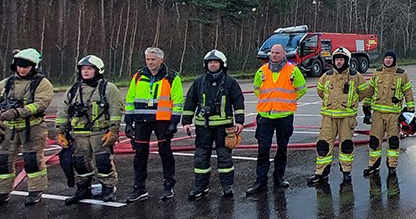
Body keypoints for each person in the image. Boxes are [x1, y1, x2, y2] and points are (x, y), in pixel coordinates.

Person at [0, 48, 55, 207]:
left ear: (33, 67)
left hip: (32, 129)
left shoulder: (42, 83)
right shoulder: (7, 83)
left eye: (26, 66)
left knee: (32, 161)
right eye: (19, 65)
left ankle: (35, 191)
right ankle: (1, 193)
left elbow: (40, 104)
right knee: (2, 161)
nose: (22, 69)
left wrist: (17, 112)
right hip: (7, 130)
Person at [57, 55, 124, 204]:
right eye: (83, 69)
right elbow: (63, 110)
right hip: (78, 134)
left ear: (98, 70)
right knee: (80, 161)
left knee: (103, 161)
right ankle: (83, 188)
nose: (85, 72)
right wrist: (60, 131)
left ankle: (108, 188)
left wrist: (113, 131)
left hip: (99, 132)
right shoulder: (74, 90)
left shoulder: (108, 88)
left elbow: (115, 110)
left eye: (89, 68)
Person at [181, 50, 246, 199]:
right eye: (210, 62)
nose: (213, 64)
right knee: (201, 157)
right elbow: (190, 102)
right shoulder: (199, 82)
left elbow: (238, 101)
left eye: (216, 62)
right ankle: (201, 187)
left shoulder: (230, 82)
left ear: (222, 64)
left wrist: (240, 121)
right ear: (206, 65)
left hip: (224, 127)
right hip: (203, 127)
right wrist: (186, 122)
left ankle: (227, 186)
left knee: (224, 157)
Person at [123, 47, 184, 202]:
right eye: (148, 59)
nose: (150, 62)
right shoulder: (138, 76)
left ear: (161, 60)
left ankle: (168, 185)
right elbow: (130, 99)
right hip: (141, 120)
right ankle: (139, 188)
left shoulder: (172, 77)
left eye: (153, 59)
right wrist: (128, 123)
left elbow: (177, 102)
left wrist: (173, 123)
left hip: (162, 121)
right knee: (140, 154)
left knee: (165, 153)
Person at [246, 44, 308, 195]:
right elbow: (256, 88)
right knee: (263, 149)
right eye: (272, 52)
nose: (274, 55)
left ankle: (279, 177)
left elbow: (302, 89)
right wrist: (268, 101)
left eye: (277, 53)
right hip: (265, 116)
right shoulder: (262, 70)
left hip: (284, 116)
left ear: (284, 54)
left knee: (282, 148)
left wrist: (288, 101)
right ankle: (260, 181)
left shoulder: (293, 70)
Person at [307, 48, 374, 186]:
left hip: (347, 118)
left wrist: (352, 102)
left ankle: (346, 172)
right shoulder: (326, 76)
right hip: (328, 118)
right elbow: (321, 91)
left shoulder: (356, 76)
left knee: (346, 146)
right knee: (323, 145)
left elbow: (364, 92)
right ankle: (321, 173)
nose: (339, 62)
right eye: (337, 59)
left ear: (347, 61)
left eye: (341, 59)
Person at [362, 51, 414, 177]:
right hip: (377, 113)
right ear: (383, 60)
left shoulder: (402, 74)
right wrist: (366, 108)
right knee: (374, 140)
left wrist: (411, 111)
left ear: (394, 60)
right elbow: (370, 90)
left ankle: (392, 165)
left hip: (393, 114)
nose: (388, 60)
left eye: (391, 58)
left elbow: (408, 92)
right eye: (386, 58)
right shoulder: (377, 73)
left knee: (393, 141)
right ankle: (373, 164)